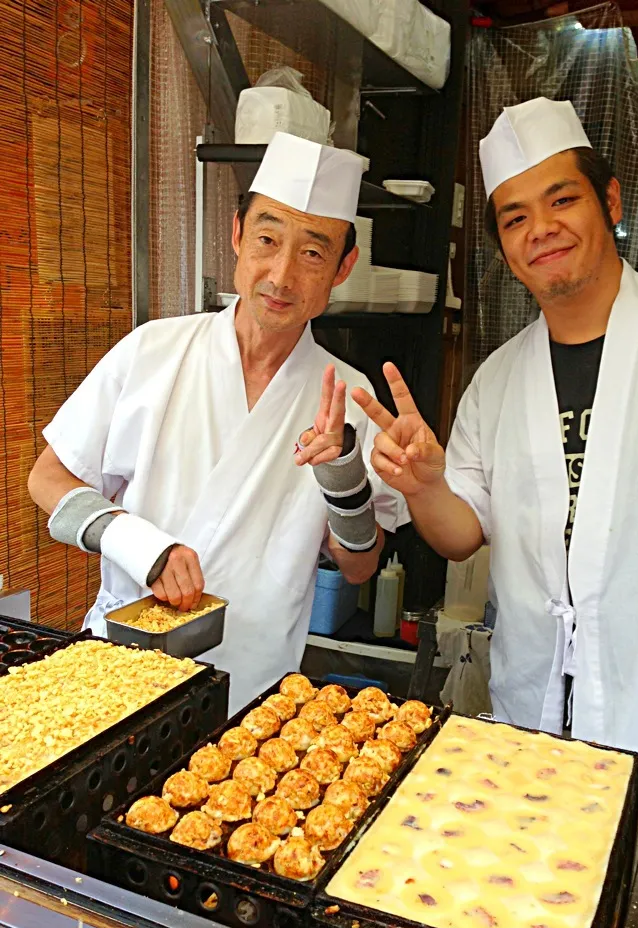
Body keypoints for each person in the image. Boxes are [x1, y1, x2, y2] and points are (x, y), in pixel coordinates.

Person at [353, 98, 638, 928]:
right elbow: (461, 532)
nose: (541, 229)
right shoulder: (499, 378)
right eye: (515, 217)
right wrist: (427, 483)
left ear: (613, 202)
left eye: (563, 200)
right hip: (539, 727)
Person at [28, 131, 407, 712]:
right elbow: (47, 480)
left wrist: (345, 479)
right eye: (266, 239)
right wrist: (138, 543)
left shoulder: (350, 398)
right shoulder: (152, 351)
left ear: (343, 266)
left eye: (312, 252)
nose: (281, 275)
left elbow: (359, 567)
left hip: (252, 693)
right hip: (118, 671)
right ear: (236, 236)